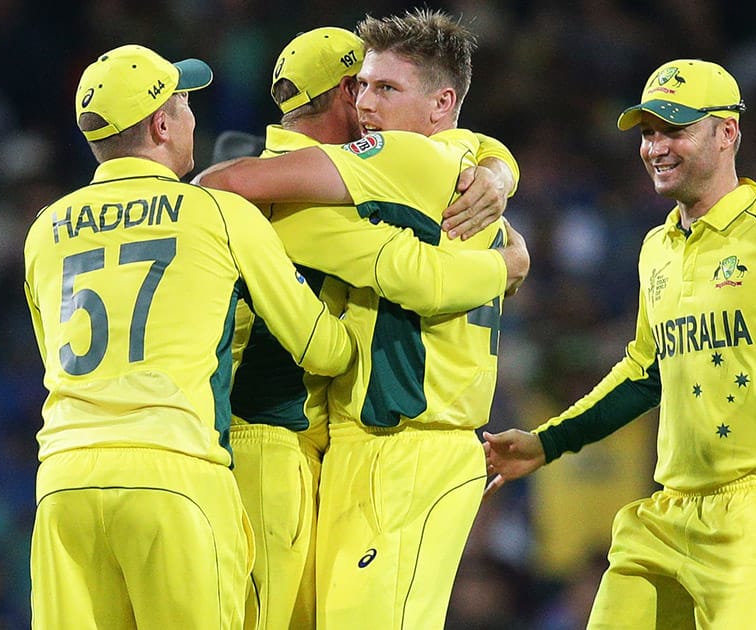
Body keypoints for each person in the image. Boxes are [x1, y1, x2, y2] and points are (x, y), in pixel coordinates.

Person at [483, 58, 756, 629]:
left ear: (728, 133)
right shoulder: (654, 248)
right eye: (647, 132)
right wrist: (547, 444)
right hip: (670, 511)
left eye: (675, 129)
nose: (656, 147)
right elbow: (644, 372)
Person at [196, 10, 520, 628]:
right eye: (363, 87)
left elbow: (222, 182)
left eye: (384, 88)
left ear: (441, 102)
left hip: (395, 446)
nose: (368, 104)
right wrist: (507, 250)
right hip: (355, 443)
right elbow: (414, 265)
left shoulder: (385, 162)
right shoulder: (455, 168)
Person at [23, 44, 356, 629]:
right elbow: (323, 349)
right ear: (160, 125)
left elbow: (52, 352)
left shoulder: (43, 230)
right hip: (174, 473)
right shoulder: (217, 212)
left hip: (63, 480)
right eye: (183, 102)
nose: (191, 115)